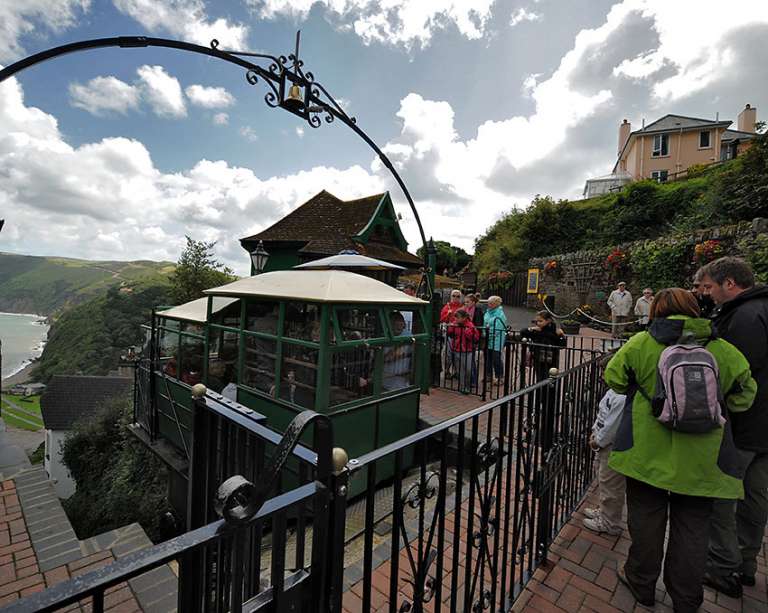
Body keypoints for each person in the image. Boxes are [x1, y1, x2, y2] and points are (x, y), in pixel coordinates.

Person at [605, 288, 756, 612]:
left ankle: (641, 582)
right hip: (703, 460)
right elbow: (745, 396)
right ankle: (686, 598)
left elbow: (614, 379)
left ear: (656, 309)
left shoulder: (641, 343)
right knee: (693, 530)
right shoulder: (722, 349)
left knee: (645, 522)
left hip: (646, 452)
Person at [699, 257, 768, 597]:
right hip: (764, 429)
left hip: (743, 425)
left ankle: (722, 568)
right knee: (756, 499)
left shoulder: (743, 317)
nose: (706, 295)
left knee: (723, 498)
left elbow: (734, 376)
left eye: (709, 287)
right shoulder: (762, 308)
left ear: (729, 283)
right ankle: (746, 564)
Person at [583, 389, 627, 536]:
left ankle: (610, 523)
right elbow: (602, 415)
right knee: (603, 478)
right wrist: (595, 431)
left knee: (611, 484)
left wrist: (598, 440)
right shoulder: (613, 392)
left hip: (611, 446)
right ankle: (604, 512)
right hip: (603, 442)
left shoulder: (622, 398)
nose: (602, 375)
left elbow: (612, 427)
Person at [519, 311, 567, 382]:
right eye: (537, 321)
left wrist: (562, 335)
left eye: (540, 321)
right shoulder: (536, 330)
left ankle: (549, 392)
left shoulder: (555, 331)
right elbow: (522, 332)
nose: (538, 323)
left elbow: (562, 345)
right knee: (540, 378)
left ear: (548, 321)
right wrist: (532, 328)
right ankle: (540, 392)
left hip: (551, 359)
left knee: (551, 378)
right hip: (538, 358)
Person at [446, 309, 480, 394]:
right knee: (460, 370)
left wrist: (467, 332)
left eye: (458, 318)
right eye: (456, 317)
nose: (456, 319)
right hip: (457, 350)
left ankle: (467, 386)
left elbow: (476, 338)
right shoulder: (455, 324)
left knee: (468, 370)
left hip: (468, 350)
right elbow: (450, 334)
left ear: (464, 318)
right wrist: (451, 327)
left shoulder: (470, 325)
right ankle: (462, 387)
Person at [483, 295, 508, 384]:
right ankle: (488, 375)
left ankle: (499, 377)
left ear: (496, 304)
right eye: (488, 303)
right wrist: (484, 333)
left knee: (496, 358)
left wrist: (488, 333)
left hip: (497, 339)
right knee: (488, 358)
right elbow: (484, 324)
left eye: (491, 303)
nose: (489, 305)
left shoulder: (500, 314)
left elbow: (498, 327)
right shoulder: (487, 312)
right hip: (488, 338)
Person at [440, 290, 464, 377]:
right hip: (449, 333)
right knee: (448, 353)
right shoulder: (447, 307)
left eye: (458, 296)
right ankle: (446, 371)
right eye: (454, 296)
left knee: (458, 354)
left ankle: (456, 371)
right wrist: (448, 315)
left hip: (460, 335)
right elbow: (442, 319)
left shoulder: (462, 307)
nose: (455, 298)